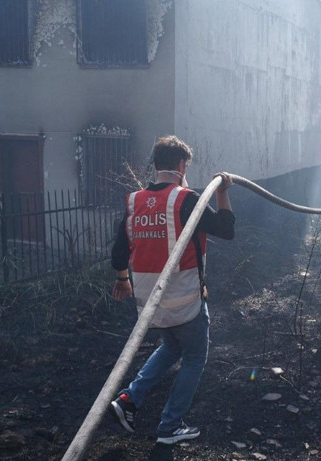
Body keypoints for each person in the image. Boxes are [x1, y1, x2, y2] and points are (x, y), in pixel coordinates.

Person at [109, 135, 236, 444]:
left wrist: (122, 279)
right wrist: (222, 192)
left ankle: (129, 400)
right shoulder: (186, 199)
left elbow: (119, 249)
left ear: (155, 165)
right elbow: (227, 230)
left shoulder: (133, 201)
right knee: (194, 357)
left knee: (170, 347)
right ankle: (170, 427)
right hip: (186, 299)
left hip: (150, 302)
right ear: (182, 165)